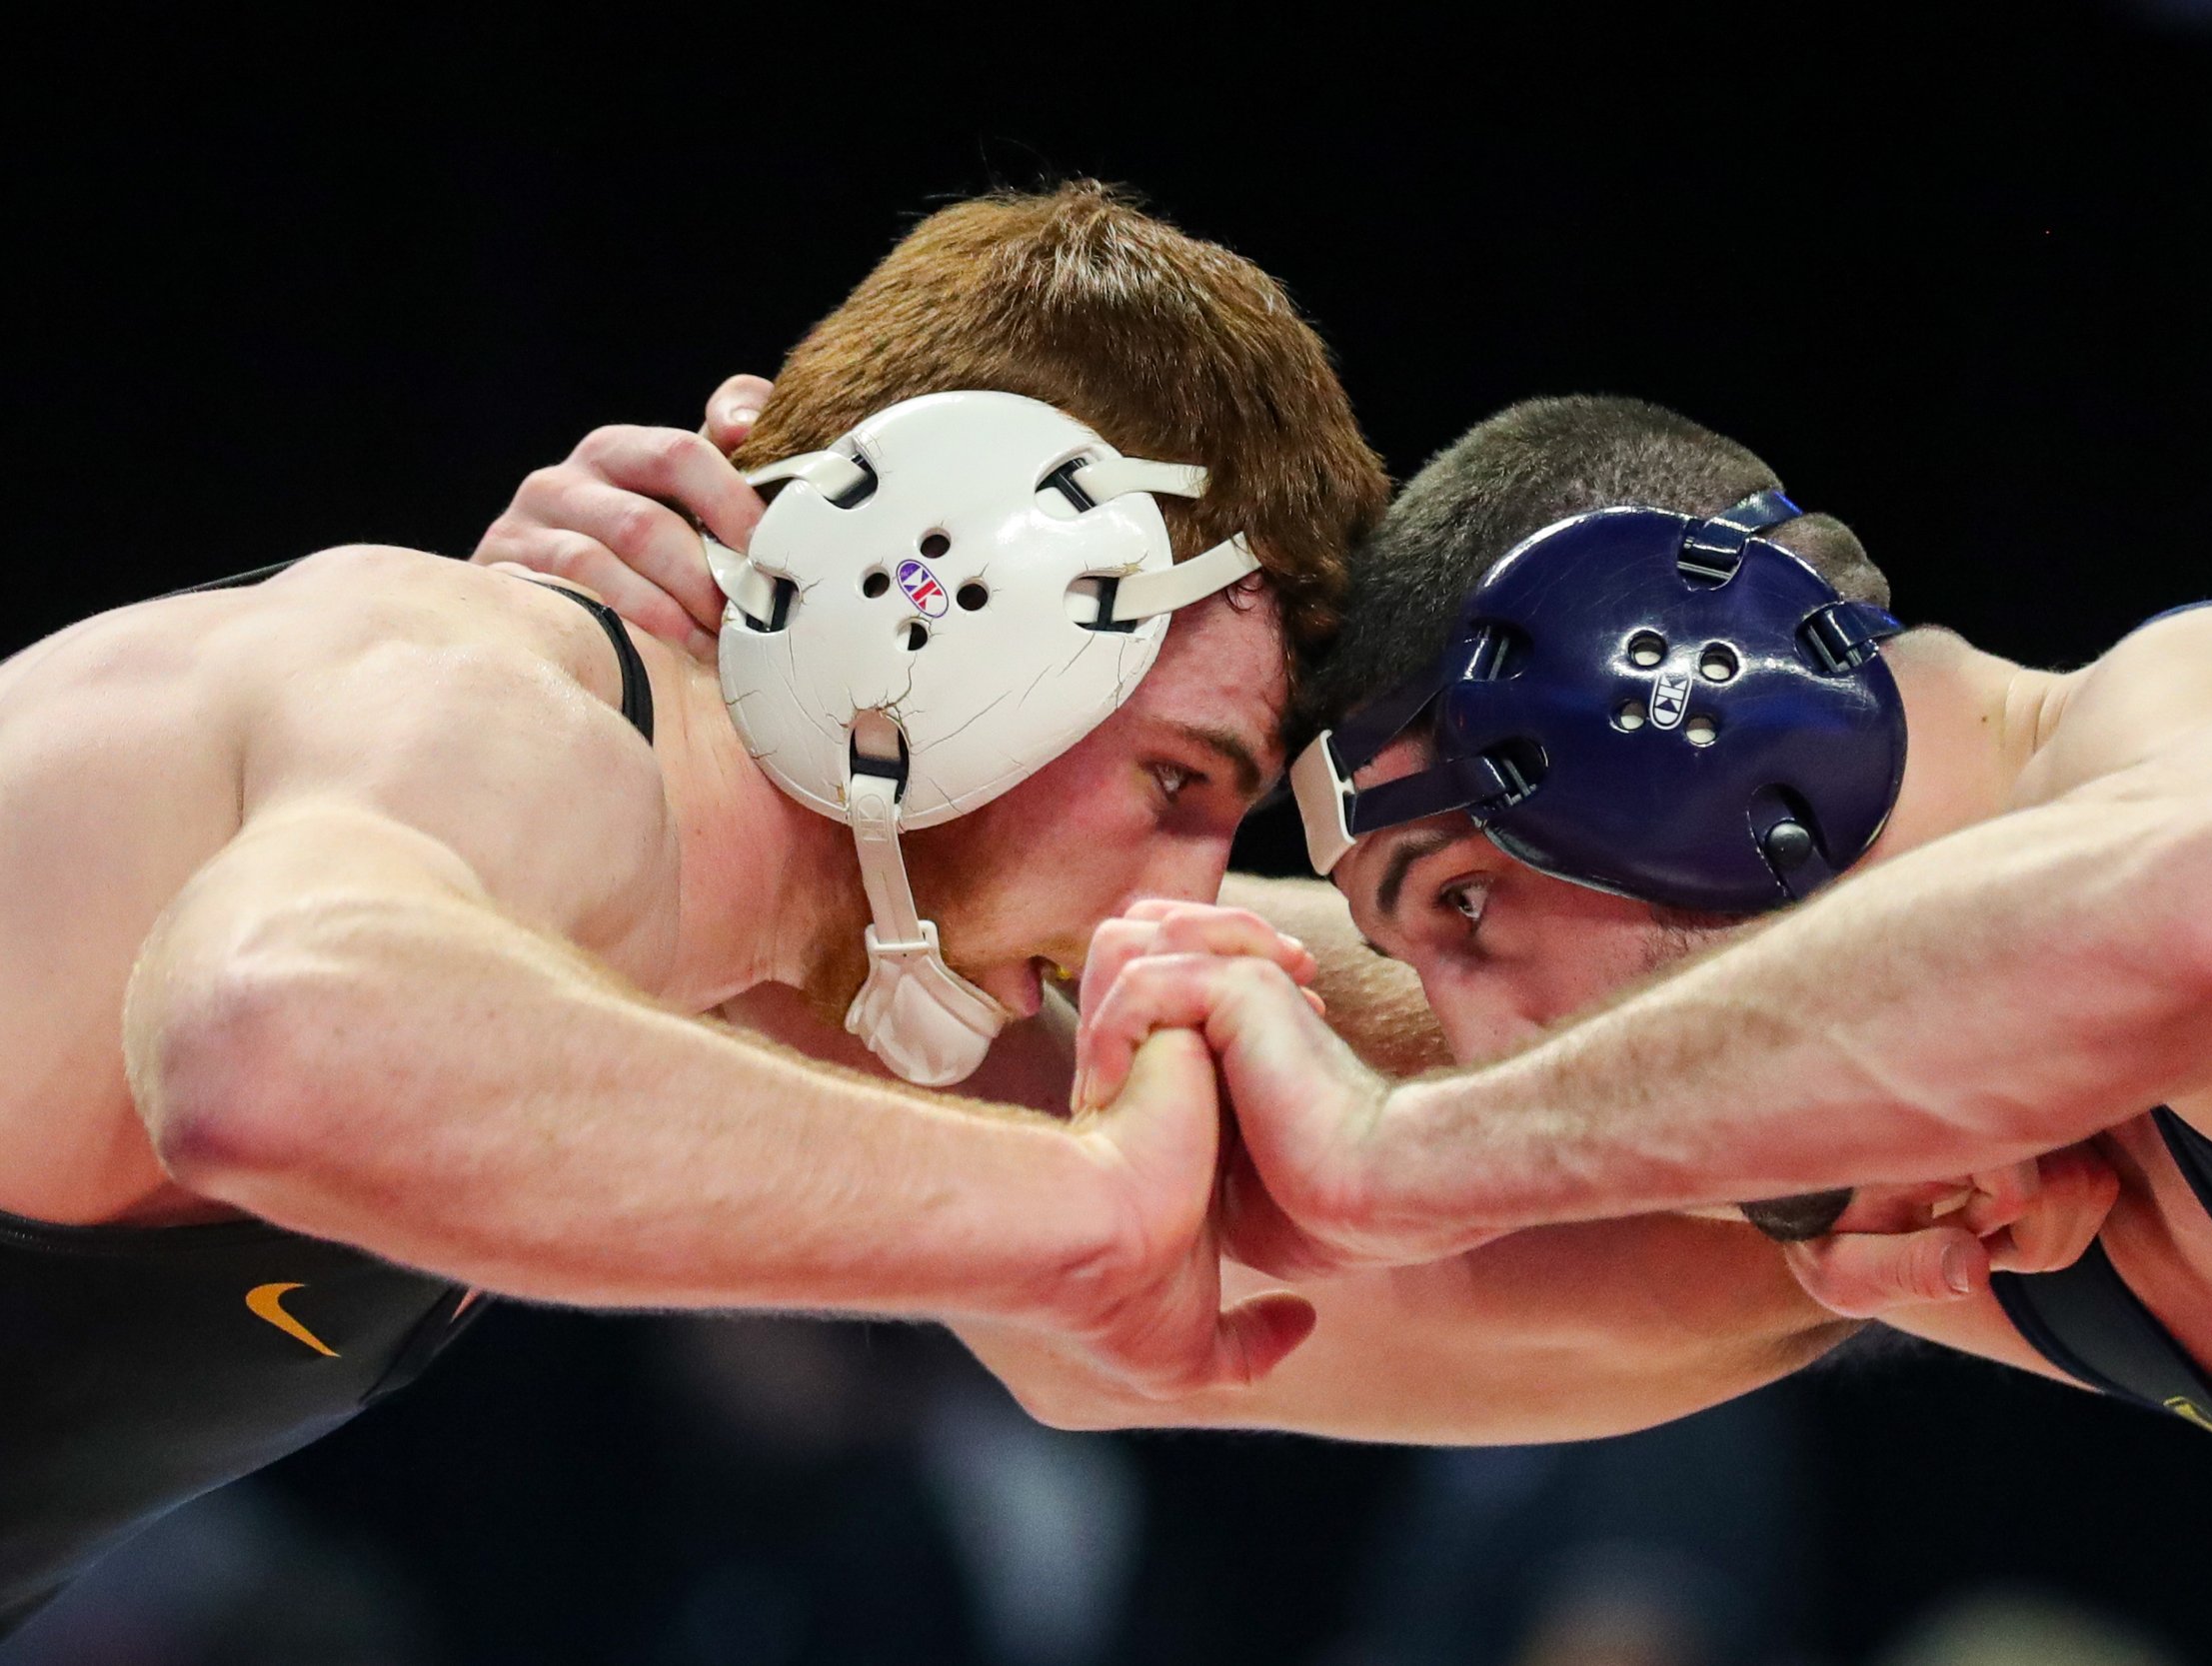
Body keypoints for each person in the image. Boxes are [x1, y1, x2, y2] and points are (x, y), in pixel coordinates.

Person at [0, 182, 1389, 1633]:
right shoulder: (483, 694)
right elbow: (274, 1046)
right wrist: (1084, 1207)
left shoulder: (753, 939)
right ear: (951, 599)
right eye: (1177, 783)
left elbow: (1310, 1281)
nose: (1159, 905)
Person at [1055, 394, 2212, 1577]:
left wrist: (1405, 1153)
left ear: (1688, 711)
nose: (1487, 1043)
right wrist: (932, 921)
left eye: (1466, 903)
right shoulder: (1958, 1216)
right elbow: (1102, 1348)